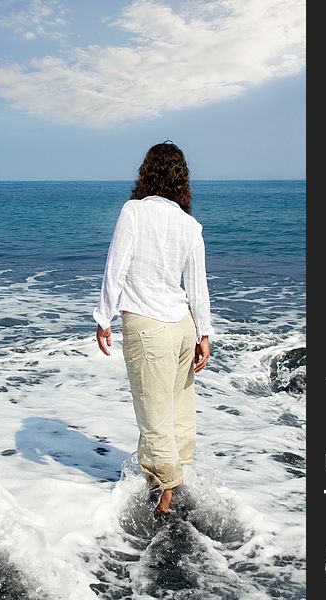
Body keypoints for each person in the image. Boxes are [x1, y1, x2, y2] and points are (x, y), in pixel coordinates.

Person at [93, 141, 213, 515]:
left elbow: (117, 267)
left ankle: (166, 496)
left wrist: (103, 316)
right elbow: (197, 285)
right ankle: (162, 481)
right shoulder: (190, 224)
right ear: (182, 181)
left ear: (146, 173)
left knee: (153, 412)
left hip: (147, 325)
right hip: (182, 326)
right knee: (177, 410)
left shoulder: (134, 212)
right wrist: (205, 334)